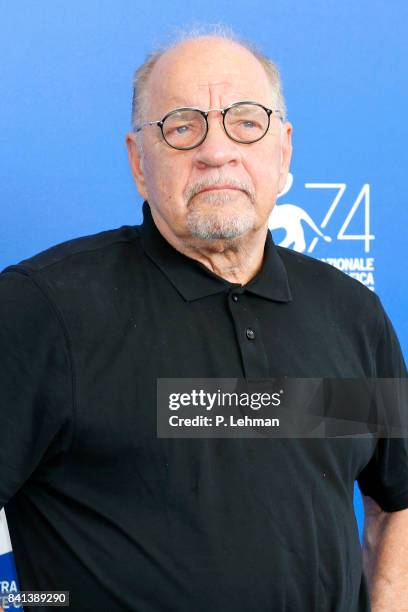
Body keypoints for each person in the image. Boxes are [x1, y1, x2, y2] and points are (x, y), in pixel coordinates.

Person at [1, 28, 407, 612]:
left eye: (246, 122)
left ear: (283, 148)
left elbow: (396, 501)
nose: (217, 151)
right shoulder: (41, 310)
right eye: (183, 126)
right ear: (139, 160)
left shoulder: (351, 314)